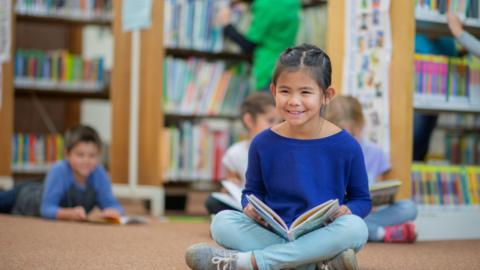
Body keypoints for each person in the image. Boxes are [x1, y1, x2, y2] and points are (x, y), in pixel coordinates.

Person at [185, 44, 371, 270]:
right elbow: (251, 192)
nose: (294, 101)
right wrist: (249, 207)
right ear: (273, 91)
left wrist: (347, 211)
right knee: (222, 222)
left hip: (323, 233)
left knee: (356, 228)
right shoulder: (262, 143)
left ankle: (250, 262)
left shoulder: (347, 145)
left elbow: (362, 199)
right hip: (275, 231)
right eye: (285, 91)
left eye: (305, 92)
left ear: (326, 95)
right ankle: (317, 264)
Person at [326, 95, 418, 243]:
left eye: (352, 134)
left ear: (361, 125)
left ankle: (367, 230)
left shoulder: (375, 154)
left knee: (409, 208)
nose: (347, 141)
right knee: (333, 224)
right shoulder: (327, 154)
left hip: (369, 214)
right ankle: (380, 233)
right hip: (341, 217)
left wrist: (375, 203)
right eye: (340, 135)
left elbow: (378, 191)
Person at [0, 125, 124, 221]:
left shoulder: (99, 172)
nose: (86, 160)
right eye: (80, 155)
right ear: (67, 154)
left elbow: (113, 204)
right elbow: (46, 209)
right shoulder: (59, 170)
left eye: (92, 155)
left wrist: (112, 211)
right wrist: (67, 213)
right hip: (23, 197)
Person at [204, 92, 280, 215]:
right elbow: (231, 186)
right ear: (249, 120)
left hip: (275, 204)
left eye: (280, 121)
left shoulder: (283, 149)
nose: (276, 126)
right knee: (213, 201)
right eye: (270, 120)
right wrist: (228, 188)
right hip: (249, 206)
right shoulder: (234, 153)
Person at [217, 0, 300, 91]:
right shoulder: (293, 2)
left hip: (267, 70)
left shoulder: (265, 4)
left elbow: (249, 45)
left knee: (263, 102)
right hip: (288, 66)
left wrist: (227, 26)